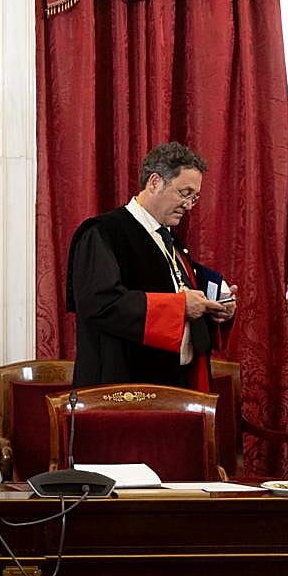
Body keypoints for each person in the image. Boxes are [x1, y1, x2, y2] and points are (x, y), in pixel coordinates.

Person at [66, 142, 237, 390]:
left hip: (175, 383)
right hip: (123, 386)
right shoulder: (103, 232)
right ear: (155, 182)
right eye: (184, 193)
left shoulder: (167, 238)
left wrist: (219, 304)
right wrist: (179, 307)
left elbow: (182, 283)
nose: (189, 205)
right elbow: (100, 303)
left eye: (194, 197)